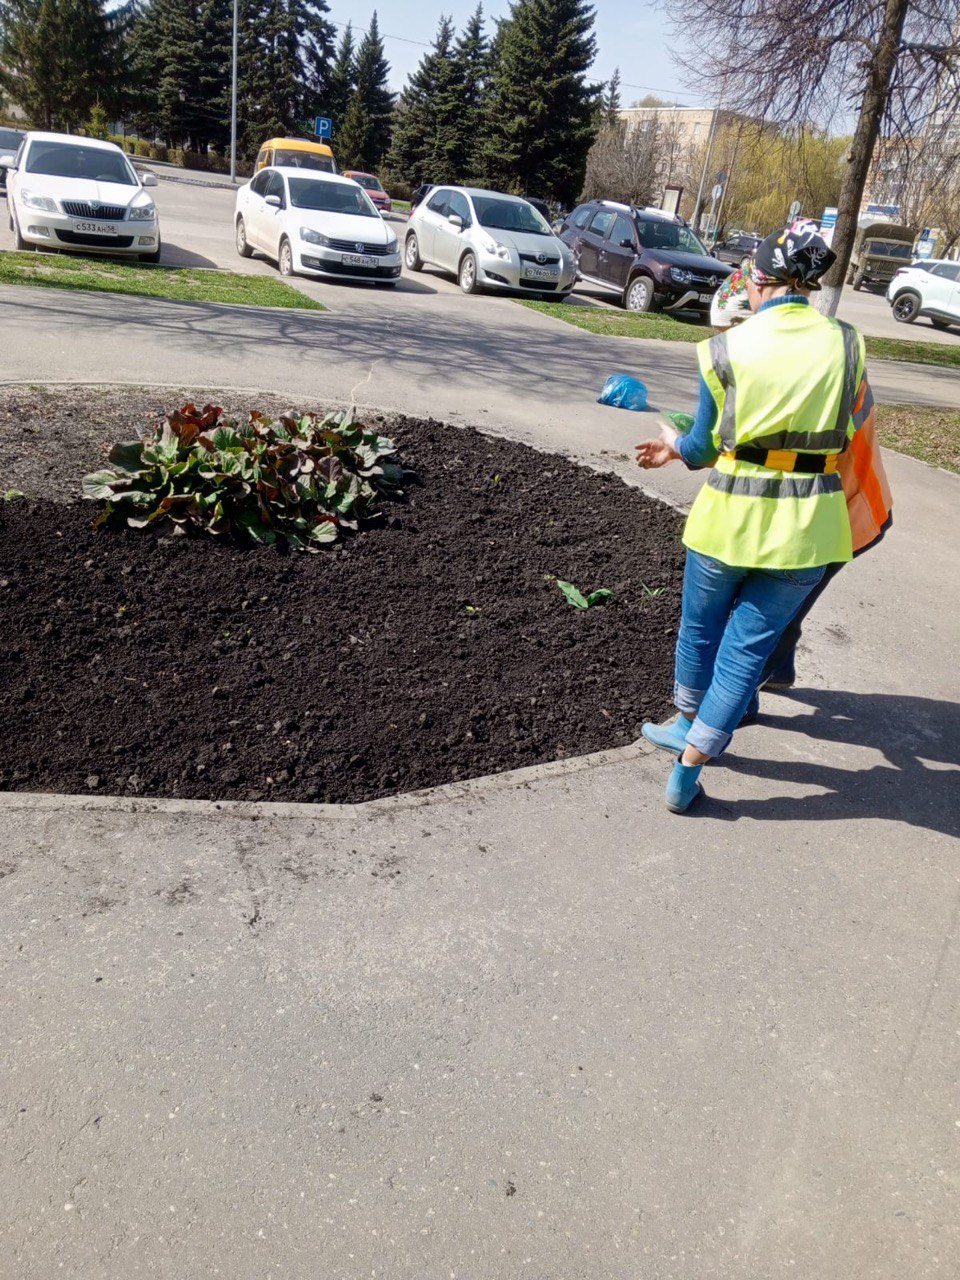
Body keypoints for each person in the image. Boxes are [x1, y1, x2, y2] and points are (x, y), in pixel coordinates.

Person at [635, 225, 868, 814]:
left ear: (758, 281)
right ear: (809, 285)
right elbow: (855, 419)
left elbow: (705, 445)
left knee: (700, 631)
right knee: (746, 653)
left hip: (727, 521)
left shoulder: (723, 348)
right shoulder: (849, 343)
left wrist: (674, 446)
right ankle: (687, 774)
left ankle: (687, 725)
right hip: (809, 529)